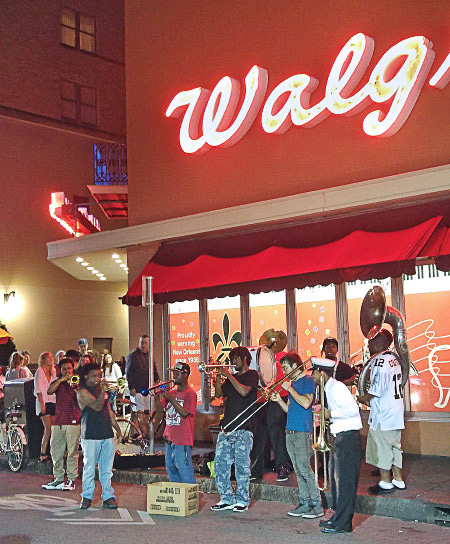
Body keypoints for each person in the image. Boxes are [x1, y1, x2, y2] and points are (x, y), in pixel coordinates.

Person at [311, 358, 362, 534]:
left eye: (314, 372)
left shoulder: (337, 387)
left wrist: (330, 413)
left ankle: (343, 523)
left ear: (322, 373)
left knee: (345, 483)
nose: (313, 376)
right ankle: (338, 517)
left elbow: (352, 410)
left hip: (348, 437)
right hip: (339, 437)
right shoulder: (327, 388)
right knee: (337, 482)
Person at [271, 352, 323, 518]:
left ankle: (316, 504)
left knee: (304, 468)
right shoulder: (293, 383)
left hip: (302, 431)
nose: (284, 372)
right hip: (290, 430)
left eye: (286, 368)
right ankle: (303, 502)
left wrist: (290, 389)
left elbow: (307, 403)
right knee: (298, 469)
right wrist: (279, 399)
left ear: (295, 366)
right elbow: (289, 409)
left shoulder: (307, 381)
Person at [357, 328, 406, 494]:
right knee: (395, 447)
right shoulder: (394, 359)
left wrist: (362, 398)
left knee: (382, 448)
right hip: (395, 412)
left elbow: (376, 390)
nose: (369, 345)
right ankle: (398, 479)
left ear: (379, 344)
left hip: (383, 414)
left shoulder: (379, 361)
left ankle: (386, 482)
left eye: (371, 342)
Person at [211, 346, 258, 513]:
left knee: (241, 466)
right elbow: (218, 395)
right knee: (220, 465)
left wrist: (228, 375)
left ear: (245, 358)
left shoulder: (252, 375)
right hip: (227, 427)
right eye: (232, 358)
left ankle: (243, 499)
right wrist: (218, 377)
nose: (233, 361)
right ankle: (226, 498)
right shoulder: (231, 379)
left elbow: (244, 391)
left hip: (244, 428)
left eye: (236, 358)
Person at [76, 362, 122, 510]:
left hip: (106, 432)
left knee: (106, 468)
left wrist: (117, 429)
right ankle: (87, 497)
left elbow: (108, 410)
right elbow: (96, 406)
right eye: (94, 376)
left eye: (100, 375)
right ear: (86, 376)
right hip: (90, 434)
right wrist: (103, 390)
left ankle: (108, 496)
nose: (98, 379)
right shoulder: (81, 392)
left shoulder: (101, 391)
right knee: (90, 466)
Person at [250, 329, 291, 483]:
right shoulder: (257, 356)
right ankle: (256, 468)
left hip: (277, 397)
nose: (271, 346)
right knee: (259, 435)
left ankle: (282, 466)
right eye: (268, 343)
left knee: (277, 432)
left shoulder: (283, 357)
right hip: (260, 399)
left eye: (273, 343)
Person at [42, 358, 81, 491]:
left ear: (73, 369)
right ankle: (58, 478)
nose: (67, 371)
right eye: (64, 369)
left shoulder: (77, 382)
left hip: (73, 422)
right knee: (56, 452)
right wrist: (61, 380)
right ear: (60, 370)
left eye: (69, 368)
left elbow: (83, 398)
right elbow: (49, 391)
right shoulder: (58, 382)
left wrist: (75, 387)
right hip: (58, 422)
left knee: (72, 453)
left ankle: (71, 479)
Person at [159, 361, 197, 483]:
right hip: (169, 437)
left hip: (183, 438)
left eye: (177, 373)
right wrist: (159, 394)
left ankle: (190, 497)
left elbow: (185, 413)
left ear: (186, 375)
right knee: (170, 467)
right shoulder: (171, 393)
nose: (174, 376)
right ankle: (179, 495)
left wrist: (171, 398)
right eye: (174, 373)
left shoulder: (190, 394)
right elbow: (162, 407)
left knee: (184, 467)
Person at [125, 335, 159, 438]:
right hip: (137, 390)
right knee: (139, 411)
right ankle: (140, 433)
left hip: (148, 389)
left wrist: (157, 382)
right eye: (142, 342)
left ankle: (146, 431)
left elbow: (154, 370)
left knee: (148, 411)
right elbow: (128, 372)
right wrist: (131, 387)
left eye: (145, 343)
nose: (144, 345)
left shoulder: (150, 356)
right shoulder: (133, 356)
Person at [34, 352, 56, 462]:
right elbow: (38, 390)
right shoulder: (39, 371)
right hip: (44, 402)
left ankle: (52, 451)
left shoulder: (53, 372)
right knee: (48, 428)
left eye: (52, 358)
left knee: (54, 428)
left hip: (52, 401)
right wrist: (42, 405)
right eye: (49, 358)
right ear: (43, 360)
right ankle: (43, 452)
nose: (51, 359)